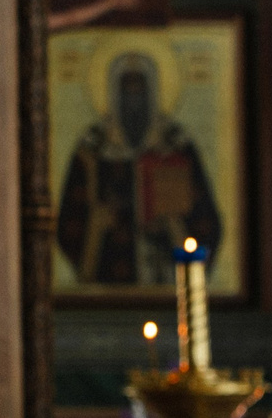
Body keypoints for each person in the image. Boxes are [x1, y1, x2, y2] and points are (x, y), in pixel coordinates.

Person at [55, 53, 225, 289]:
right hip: (110, 277)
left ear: (153, 92)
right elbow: (69, 221)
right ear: (114, 93)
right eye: (127, 91)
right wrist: (98, 223)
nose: (134, 100)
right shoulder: (92, 147)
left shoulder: (176, 143)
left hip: (165, 276)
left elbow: (205, 221)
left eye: (140, 91)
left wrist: (172, 224)